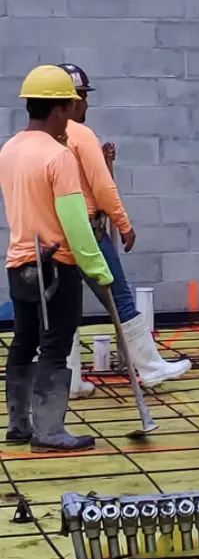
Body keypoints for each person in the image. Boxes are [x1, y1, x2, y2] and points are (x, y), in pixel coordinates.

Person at [0, 66, 114, 451]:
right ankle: (49, 432)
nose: (76, 109)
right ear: (59, 108)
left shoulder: (9, 149)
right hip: (56, 266)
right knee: (54, 345)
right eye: (72, 103)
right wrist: (97, 267)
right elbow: (75, 222)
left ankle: (18, 425)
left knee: (24, 339)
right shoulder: (58, 156)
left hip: (19, 262)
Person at [59, 63, 191, 392]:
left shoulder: (45, 136)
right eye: (84, 98)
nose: (87, 105)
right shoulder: (81, 134)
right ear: (72, 100)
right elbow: (102, 187)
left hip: (54, 235)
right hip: (87, 231)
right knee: (121, 300)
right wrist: (124, 224)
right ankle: (150, 368)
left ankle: (70, 380)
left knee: (65, 308)